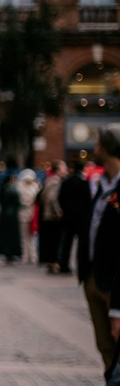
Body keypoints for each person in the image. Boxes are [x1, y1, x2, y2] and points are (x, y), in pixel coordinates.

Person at [78, 124, 120, 370]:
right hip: (93, 278)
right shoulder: (102, 184)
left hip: (114, 284)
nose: (93, 149)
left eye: (97, 144)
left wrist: (118, 308)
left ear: (106, 147)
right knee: (105, 347)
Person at [59, 158, 91, 275]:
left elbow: (60, 199)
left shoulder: (66, 183)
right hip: (81, 218)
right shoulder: (84, 183)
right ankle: (80, 264)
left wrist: (65, 209)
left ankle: (64, 264)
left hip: (68, 217)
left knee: (67, 242)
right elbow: (88, 201)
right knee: (81, 244)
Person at [38, 160, 68, 273]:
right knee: (55, 241)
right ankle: (54, 264)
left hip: (47, 215)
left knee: (50, 241)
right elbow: (52, 198)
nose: (65, 170)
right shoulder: (56, 181)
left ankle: (51, 263)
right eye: (64, 168)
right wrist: (59, 212)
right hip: (52, 216)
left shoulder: (49, 180)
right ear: (58, 170)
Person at [0, 172, 23, 264]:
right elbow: (17, 201)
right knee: (11, 235)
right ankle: (10, 253)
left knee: (6, 235)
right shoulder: (11, 189)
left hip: (5, 214)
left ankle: (8, 253)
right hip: (11, 215)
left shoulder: (4, 188)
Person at [17, 169, 41, 264]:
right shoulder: (19, 187)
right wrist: (26, 203)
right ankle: (25, 256)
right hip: (23, 214)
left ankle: (33, 256)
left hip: (33, 215)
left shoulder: (36, 186)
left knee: (33, 237)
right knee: (24, 237)